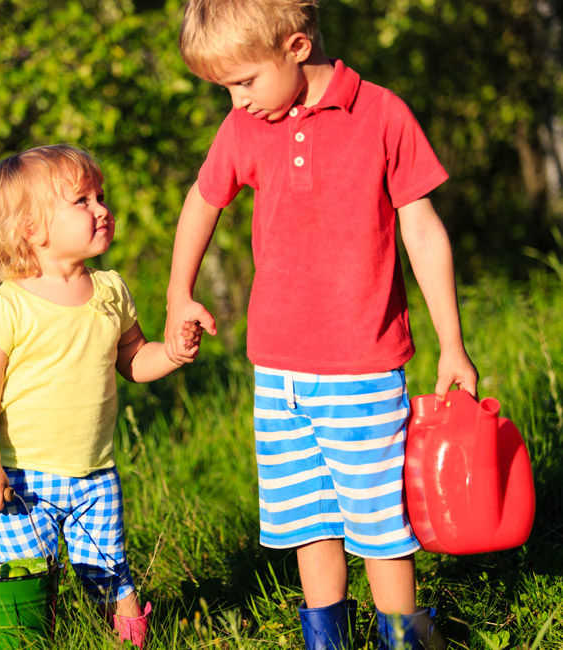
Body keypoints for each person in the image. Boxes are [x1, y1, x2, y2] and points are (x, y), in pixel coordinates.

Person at [164, 1, 478, 648]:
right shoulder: (247, 126)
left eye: (243, 81)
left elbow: (421, 227)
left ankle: (407, 641)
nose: (235, 102)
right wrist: (178, 293)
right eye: (223, 88)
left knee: (381, 527)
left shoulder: (383, 114)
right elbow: (202, 198)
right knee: (310, 521)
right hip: (277, 372)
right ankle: (326, 640)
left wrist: (453, 344)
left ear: (297, 46)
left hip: (360, 370)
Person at [0, 144, 202, 648]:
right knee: (30, 580)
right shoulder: (3, 307)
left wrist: (174, 354)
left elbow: (134, 360)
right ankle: (36, 639)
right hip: (24, 478)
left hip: (96, 472)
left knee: (111, 573)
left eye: (101, 196)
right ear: (31, 228)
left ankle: (134, 640)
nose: (101, 209)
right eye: (82, 200)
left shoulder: (110, 290)